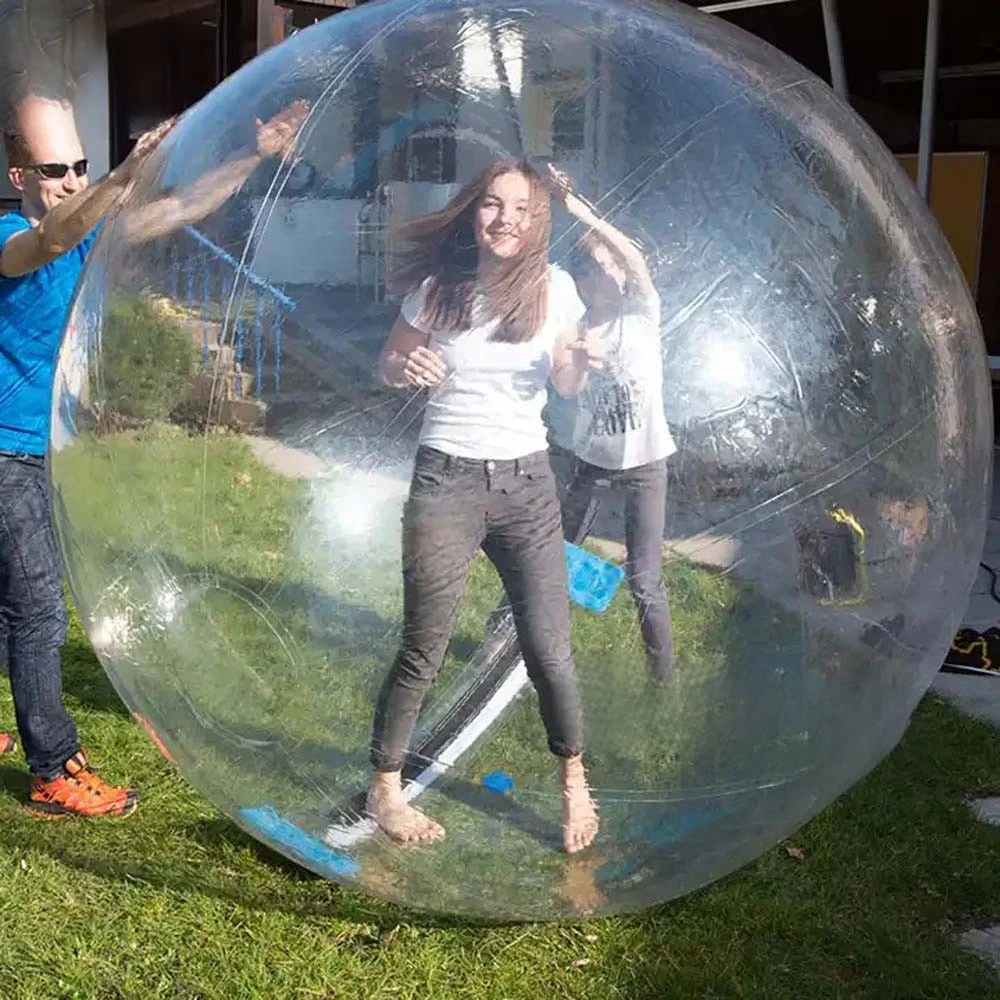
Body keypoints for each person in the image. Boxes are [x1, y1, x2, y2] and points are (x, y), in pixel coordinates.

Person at [0, 95, 306, 817]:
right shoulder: (11, 232)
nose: (73, 180)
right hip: (6, 454)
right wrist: (121, 173)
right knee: (40, 609)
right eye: (56, 169)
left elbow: (179, 209)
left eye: (80, 165)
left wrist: (252, 153)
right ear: (19, 174)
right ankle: (53, 768)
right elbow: (46, 243)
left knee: (12, 602)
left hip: (31, 449)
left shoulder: (83, 233)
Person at [366, 158, 604, 854]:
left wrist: (582, 362)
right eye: (492, 205)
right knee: (425, 646)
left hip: (528, 487)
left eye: (522, 209)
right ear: (473, 211)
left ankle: (574, 782)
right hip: (447, 480)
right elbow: (389, 364)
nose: (505, 219)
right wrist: (404, 369)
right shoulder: (439, 290)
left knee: (550, 649)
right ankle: (386, 788)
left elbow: (565, 384)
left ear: (538, 221)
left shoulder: (556, 290)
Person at [547, 168, 678, 684]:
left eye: (613, 266)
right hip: (590, 463)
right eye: (599, 267)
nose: (614, 272)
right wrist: (577, 356)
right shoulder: (576, 327)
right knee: (555, 559)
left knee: (645, 580)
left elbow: (634, 256)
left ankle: (663, 682)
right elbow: (566, 388)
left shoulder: (644, 314)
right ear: (584, 280)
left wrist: (575, 206)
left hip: (647, 465)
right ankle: (514, 645)